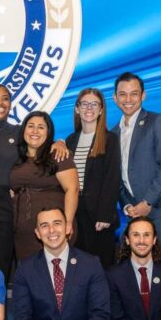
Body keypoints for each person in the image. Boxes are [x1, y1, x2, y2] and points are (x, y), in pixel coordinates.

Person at [0, 85, 69, 278]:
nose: (0, 103)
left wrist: (59, 142)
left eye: (5, 98)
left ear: (11, 104)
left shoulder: (18, 131)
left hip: (6, 202)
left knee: (3, 258)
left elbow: (38, 143)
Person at [111, 72, 161, 263]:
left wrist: (148, 202)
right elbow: (118, 175)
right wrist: (127, 205)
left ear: (143, 95)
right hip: (136, 212)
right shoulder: (113, 133)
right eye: (122, 94)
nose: (128, 99)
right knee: (140, 267)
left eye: (134, 94)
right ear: (115, 98)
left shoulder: (158, 121)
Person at [9, 112, 79, 263]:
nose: (35, 131)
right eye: (31, 126)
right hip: (22, 232)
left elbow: (72, 189)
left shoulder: (58, 154)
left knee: (55, 272)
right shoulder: (18, 159)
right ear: (23, 130)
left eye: (41, 127)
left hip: (52, 231)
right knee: (29, 273)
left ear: (48, 132)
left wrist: (67, 223)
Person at [65, 88, 121, 268]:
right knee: (79, 266)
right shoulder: (70, 140)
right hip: (76, 213)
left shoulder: (110, 140)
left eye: (94, 104)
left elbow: (112, 179)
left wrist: (105, 214)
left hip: (99, 216)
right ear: (77, 108)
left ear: (101, 109)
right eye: (84, 104)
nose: (89, 108)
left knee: (101, 266)